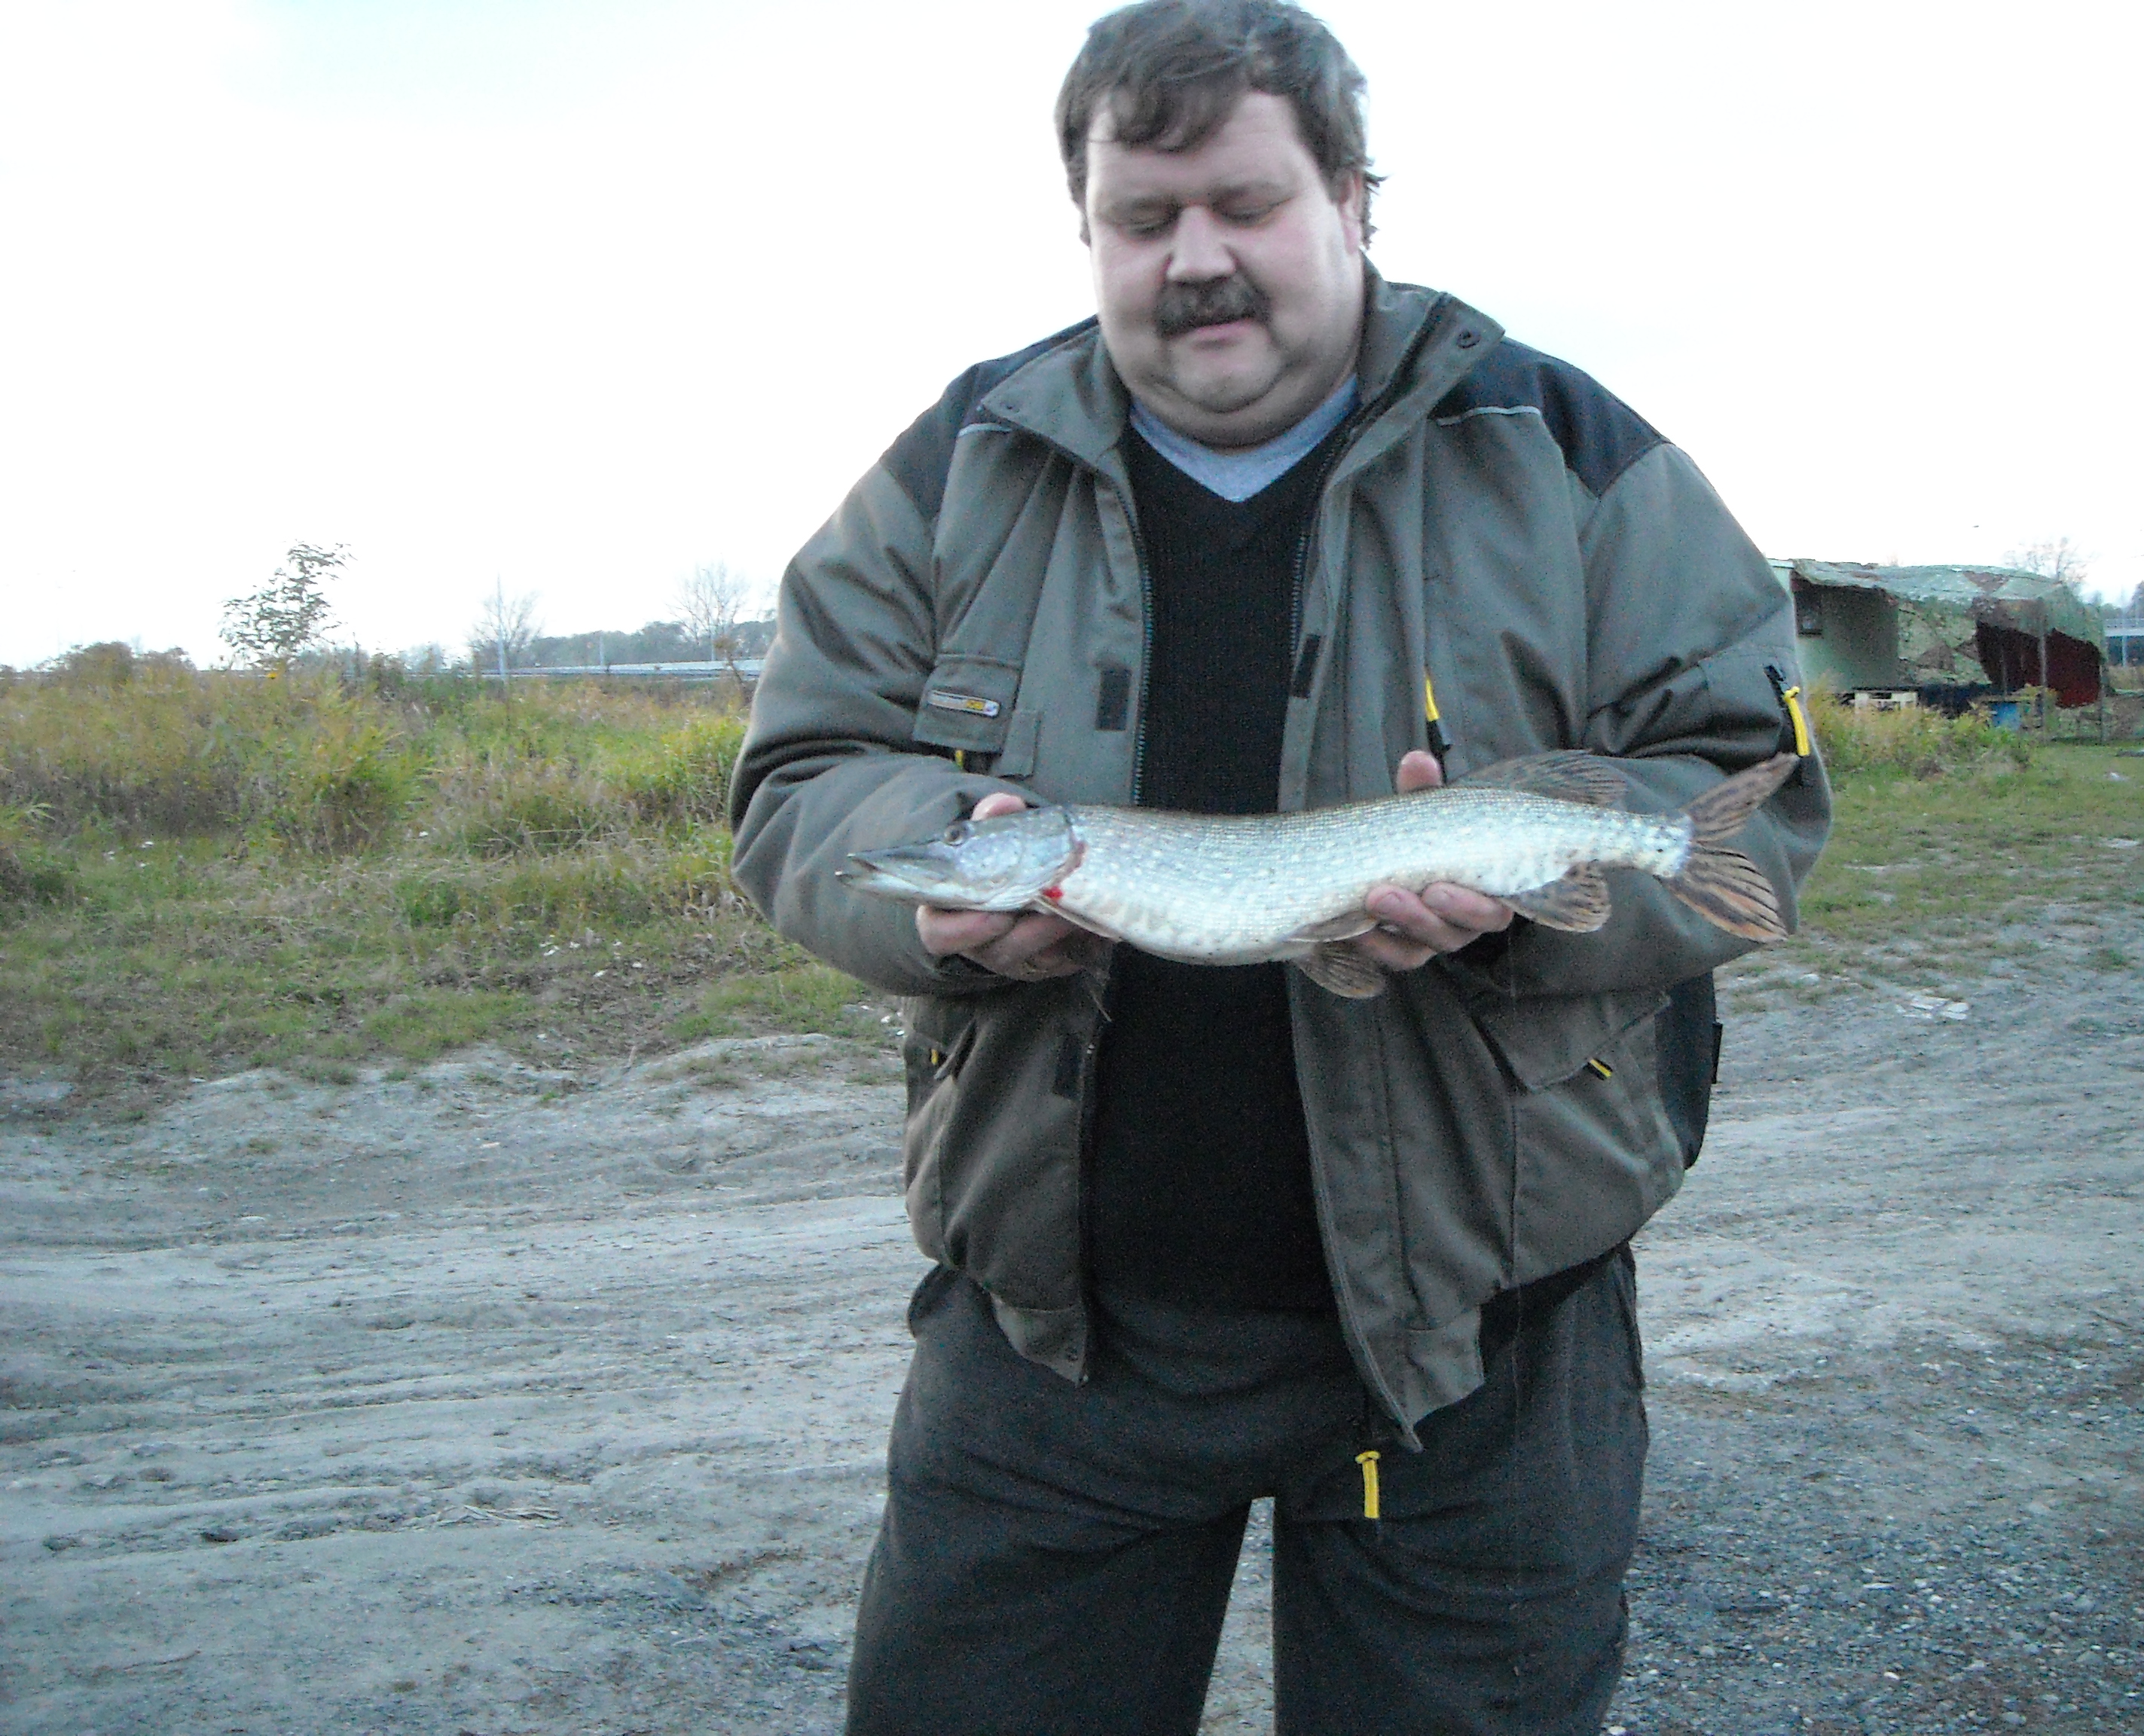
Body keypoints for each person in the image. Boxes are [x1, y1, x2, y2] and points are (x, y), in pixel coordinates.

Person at [728, 2, 1830, 1729]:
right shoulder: (962, 461)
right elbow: (806, 771)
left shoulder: (1560, 444)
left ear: (1355, 199)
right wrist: (933, 895)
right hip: (1053, 1342)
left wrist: (1515, 918)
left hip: (1479, 1342)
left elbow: (1745, 788)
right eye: (1142, 218)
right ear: (1085, 223)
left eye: (1245, 203)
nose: (1196, 261)